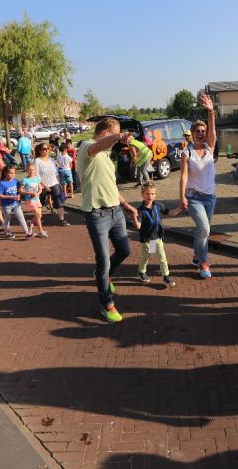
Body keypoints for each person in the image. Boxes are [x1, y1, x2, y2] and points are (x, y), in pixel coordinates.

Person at [77, 117, 140, 323]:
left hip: (116, 212)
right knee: (103, 261)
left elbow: (111, 186)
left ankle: (103, 275)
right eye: (115, 133)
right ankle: (107, 304)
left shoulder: (106, 156)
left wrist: (127, 205)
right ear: (106, 132)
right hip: (97, 214)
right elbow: (98, 146)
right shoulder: (87, 147)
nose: (118, 140)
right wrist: (119, 136)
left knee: (124, 250)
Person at [179, 94, 217, 279]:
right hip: (194, 197)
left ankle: (196, 255)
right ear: (193, 134)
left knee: (202, 231)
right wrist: (182, 196)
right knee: (205, 229)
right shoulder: (187, 152)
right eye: (198, 131)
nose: (202, 133)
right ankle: (203, 263)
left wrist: (211, 112)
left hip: (210, 198)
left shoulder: (210, 147)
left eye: (204, 131)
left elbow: (213, 131)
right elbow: (184, 175)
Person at [133, 182, 181, 287]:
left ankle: (166, 276)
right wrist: (134, 218)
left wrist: (180, 208)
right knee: (146, 257)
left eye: (152, 194)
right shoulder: (140, 210)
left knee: (162, 257)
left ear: (155, 195)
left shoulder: (158, 206)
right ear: (142, 194)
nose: (150, 196)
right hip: (147, 239)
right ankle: (141, 272)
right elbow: (138, 226)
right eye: (147, 193)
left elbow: (169, 213)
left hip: (157, 238)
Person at [35, 143, 69, 226]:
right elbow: (36, 175)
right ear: (39, 151)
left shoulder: (51, 159)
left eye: (48, 148)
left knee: (58, 202)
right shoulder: (37, 161)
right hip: (42, 185)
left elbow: (55, 173)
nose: (47, 150)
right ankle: (38, 218)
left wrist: (59, 183)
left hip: (54, 183)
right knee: (40, 203)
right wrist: (44, 185)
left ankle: (62, 219)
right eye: (44, 149)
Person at [0, 165, 31, 239]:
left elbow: (19, 190)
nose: (13, 175)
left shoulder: (15, 181)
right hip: (6, 205)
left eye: (14, 173)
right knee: (7, 219)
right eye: (10, 173)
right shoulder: (2, 183)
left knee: (21, 217)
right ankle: (7, 232)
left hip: (16, 203)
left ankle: (27, 232)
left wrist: (19, 195)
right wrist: (11, 197)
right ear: (5, 173)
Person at [21, 162, 46, 238]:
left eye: (33, 170)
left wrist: (38, 194)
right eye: (29, 170)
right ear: (26, 170)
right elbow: (20, 190)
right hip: (30, 200)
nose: (31, 171)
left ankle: (30, 223)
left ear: (35, 170)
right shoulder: (25, 180)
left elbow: (40, 189)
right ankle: (41, 231)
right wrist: (28, 193)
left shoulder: (37, 178)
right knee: (38, 215)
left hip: (37, 199)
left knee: (40, 215)